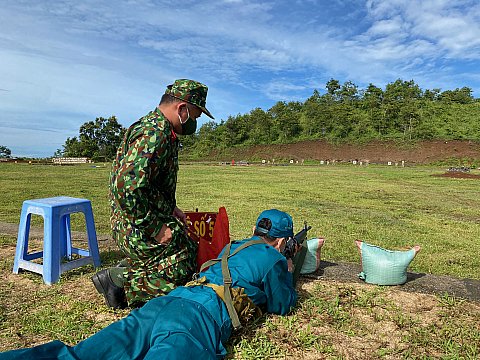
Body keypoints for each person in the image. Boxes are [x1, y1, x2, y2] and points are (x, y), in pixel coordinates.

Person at [0, 209, 298, 360]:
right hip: (200, 316)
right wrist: (289, 266)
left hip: (168, 301)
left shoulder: (233, 246)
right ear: (283, 242)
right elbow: (283, 304)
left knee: (81, 355)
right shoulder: (273, 259)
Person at [92, 79, 215, 309]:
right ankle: (119, 283)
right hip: (133, 225)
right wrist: (155, 229)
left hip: (141, 217)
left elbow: (150, 184)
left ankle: (132, 266)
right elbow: (126, 188)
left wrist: (170, 208)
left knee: (188, 246)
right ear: (181, 109)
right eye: (195, 116)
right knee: (182, 271)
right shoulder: (154, 134)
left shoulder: (160, 130)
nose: (194, 123)